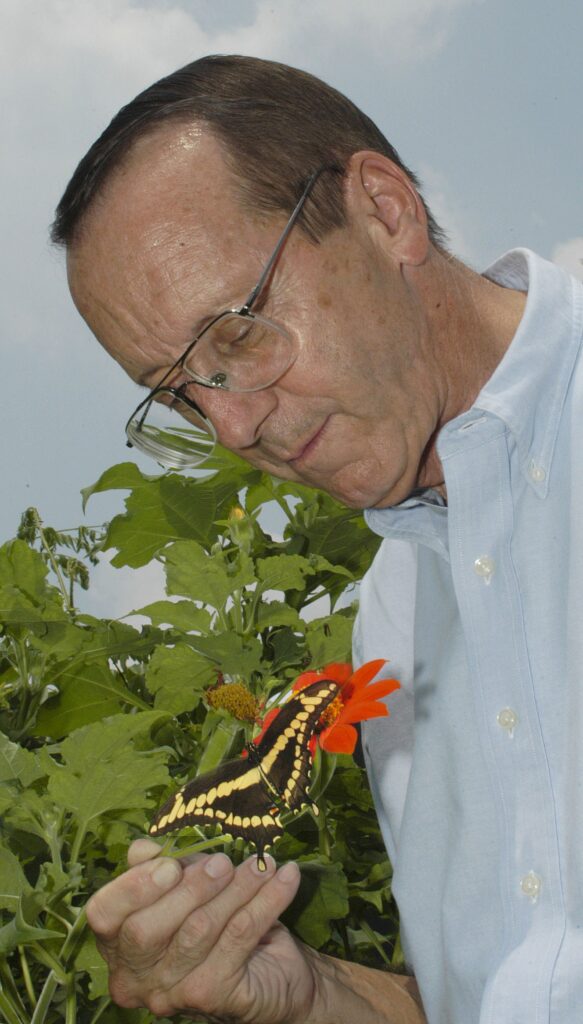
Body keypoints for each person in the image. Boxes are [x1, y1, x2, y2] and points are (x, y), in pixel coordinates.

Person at [52, 54, 583, 1024]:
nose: (231, 427)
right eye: (179, 394)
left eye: (236, 334)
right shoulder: (393, 610)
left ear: (384, 211)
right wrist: (310, 997)